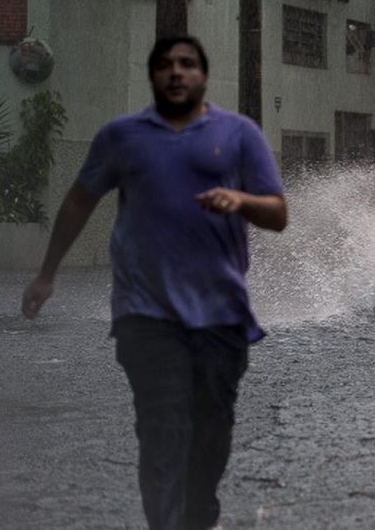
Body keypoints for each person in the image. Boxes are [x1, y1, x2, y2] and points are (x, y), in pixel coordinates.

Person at [21, 35, 287, 530]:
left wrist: (239, 200)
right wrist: (47, 274)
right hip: (145, 316)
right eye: (165, 65)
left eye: (187, 64)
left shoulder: (239, 134)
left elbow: (278, 213)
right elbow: (80, 200)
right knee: (162, 432)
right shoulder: (121, 137)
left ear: (203, 75)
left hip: (221, 316)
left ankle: (199, 513)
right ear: (153, 77)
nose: (176, 72)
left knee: (210, 436)